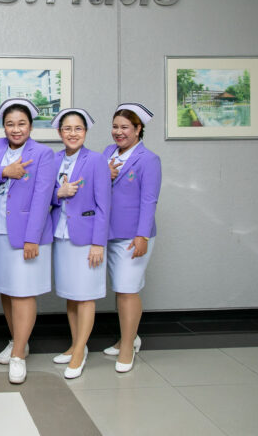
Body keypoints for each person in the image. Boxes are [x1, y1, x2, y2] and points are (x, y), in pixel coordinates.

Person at [0, 98, 57, 384]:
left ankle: (18, 356)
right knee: (6, 290)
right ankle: (19, 340)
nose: (16, 129)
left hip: (27, 234)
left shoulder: (43, 154)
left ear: (31, 126)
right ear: (3, 126)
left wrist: (32, 238)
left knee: (23, 293)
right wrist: (4, 171)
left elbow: (42, 198)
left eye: (22, 124)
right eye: (10, 124)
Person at [50, 108, 111, 379]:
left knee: (85, 296)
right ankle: (76, 345)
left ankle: (79, 353)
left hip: (87, 239)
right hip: (61, 235)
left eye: (78, 129)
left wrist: (98, 243)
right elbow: (44, 195)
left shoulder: (96, 160)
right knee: (71, 295)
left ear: (85, 132)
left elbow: (104, 205)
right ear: (59, 132)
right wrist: (58, 192)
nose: (72, 133)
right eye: (67, 128)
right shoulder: (53, 159)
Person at [102, 103, 161, 372]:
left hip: (133, 237)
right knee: (121, 289)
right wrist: (105, 174)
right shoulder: (107, 153)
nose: (119, 132)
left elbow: (149, 201)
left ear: (138, 129)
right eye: (115, 127)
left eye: (125, 127)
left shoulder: (149, 160)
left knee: (128, 290)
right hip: (109, 233)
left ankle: (128, 347)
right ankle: (128, 337)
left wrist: (142, 236)